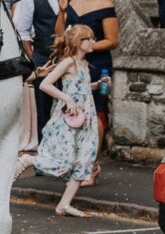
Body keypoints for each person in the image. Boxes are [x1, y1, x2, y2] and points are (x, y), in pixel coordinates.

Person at [15, 24, 101, 217]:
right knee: (65, 161)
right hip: (69, 120)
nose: (94, 42)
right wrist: (67, 99)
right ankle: (29, 159)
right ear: (79, 42)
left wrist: (96, 85)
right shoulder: (68, 62)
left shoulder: (85, 65)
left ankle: (64, 204)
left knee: (84, 161)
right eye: (90, 39)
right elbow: (45, 84)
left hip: (86, 119)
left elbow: (82, 89)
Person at [56, 0, 119, 177]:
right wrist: (63, 11)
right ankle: (77, 162)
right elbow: (62, 34)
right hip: (75, 64)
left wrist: (86, 48)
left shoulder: (105, 4)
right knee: (74, 111)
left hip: (96, 64)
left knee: (95, 113)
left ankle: (91, 166)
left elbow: (112, 40)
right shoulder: (73, 2)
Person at [15, 0, 65, 134]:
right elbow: (23, 32)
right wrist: (34, 58)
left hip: (68, 58)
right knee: (43, 109)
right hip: (42, 58)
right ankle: (43, 150)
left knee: (68, 104)